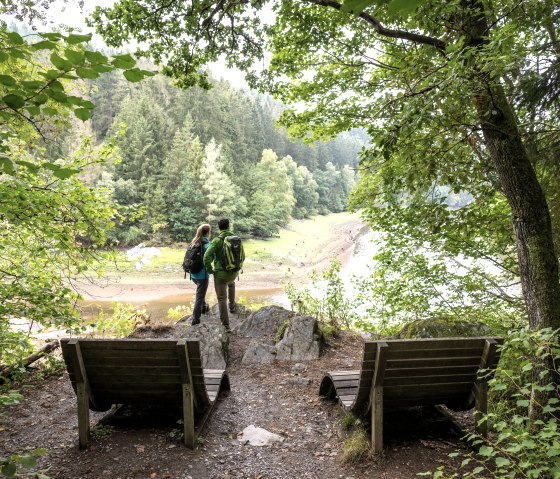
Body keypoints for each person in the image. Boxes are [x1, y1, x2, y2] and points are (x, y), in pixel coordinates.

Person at [203, 218, 238, 331]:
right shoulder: (236, 239)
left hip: (221, 274)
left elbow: (206, 257)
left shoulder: (217, 241)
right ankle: (232, 307)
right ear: (228, 226)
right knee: (231, 284)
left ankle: (226, 326)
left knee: (222, 298)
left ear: (219, 228)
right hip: (233, 272)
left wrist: (210, 270)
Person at [189, 223, 212, 326]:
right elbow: (211, 258)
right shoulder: (207, 245)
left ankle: (203, 307)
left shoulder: (193, 243)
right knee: (199, 296)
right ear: (208, 233)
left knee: (200, 293)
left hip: (193, 274)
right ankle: (195, 319)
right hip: (203, 275)